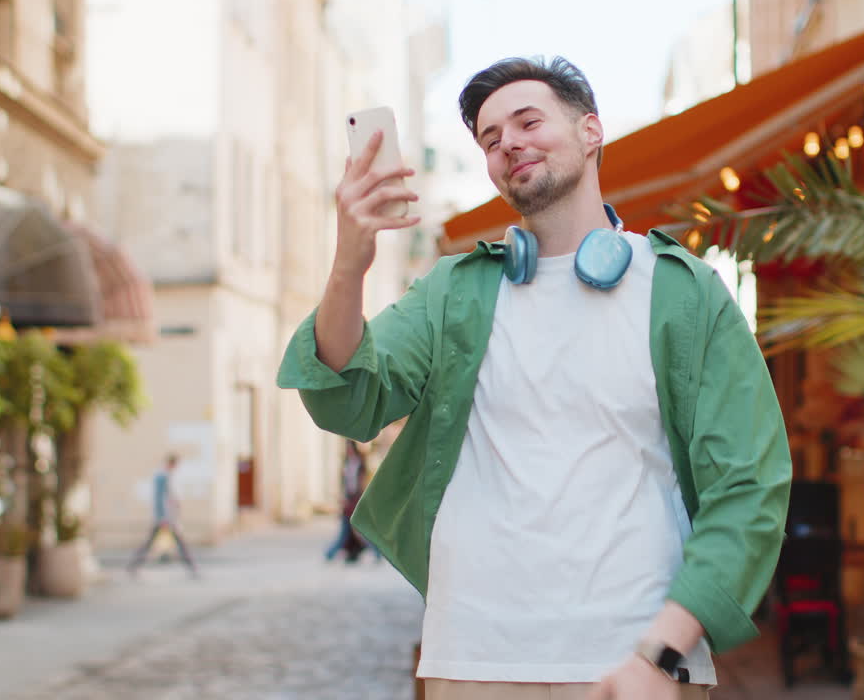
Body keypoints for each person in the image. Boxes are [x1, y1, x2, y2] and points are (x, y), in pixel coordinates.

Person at [277, 56, 791, 700]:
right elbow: (347, 399)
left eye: (527, 121)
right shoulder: (453, 293)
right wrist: (349, 263)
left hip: (634, 661)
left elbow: (749, 485)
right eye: (490, 139)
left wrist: (662, 649)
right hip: (473, 656)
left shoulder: (684, 293)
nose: (508, 143)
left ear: (591, 131)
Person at [127, 453, 199, 578]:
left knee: (152, 542)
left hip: (167, 517)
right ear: (171, 464)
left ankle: (134, 565)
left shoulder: (166, 476)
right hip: (165, 518)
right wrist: (163, 517)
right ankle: (191, 566)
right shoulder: (162, 476)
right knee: (175, 541)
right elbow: (160, 499)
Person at [324, 440, 370, 562]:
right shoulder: (346, 463)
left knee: (359, 529)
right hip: (348, 497)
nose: (348, 450)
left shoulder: (360, 463)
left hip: (356, 498)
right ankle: (334, 553)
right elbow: (344, 482)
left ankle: (330, 553)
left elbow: (362, 482)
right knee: (347, 529)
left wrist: (359, 498)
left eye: (350, 448)